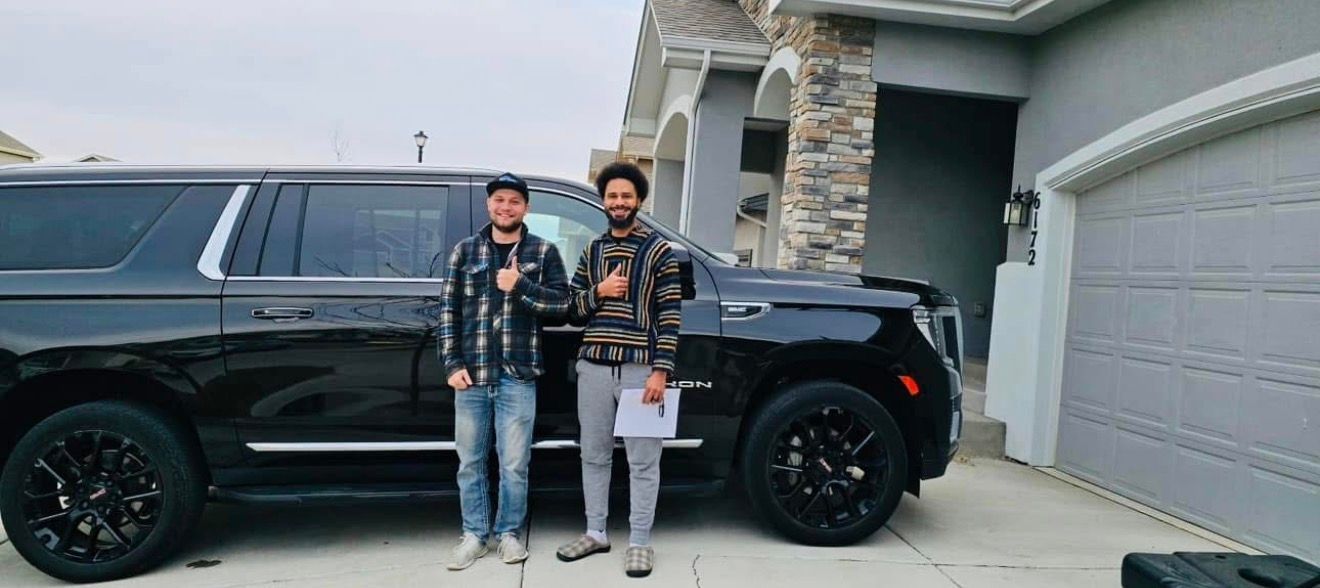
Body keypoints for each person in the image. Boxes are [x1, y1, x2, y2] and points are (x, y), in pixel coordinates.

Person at [555, 162, 682, 578]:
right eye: (612, 196)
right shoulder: (592, 250)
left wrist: (660, 371)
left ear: (639, 201)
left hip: (640, 370)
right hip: (593, 367)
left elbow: (670, 315)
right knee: (593, 455)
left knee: (643, 459)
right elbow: (572, 309)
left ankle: (640, 541)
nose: (619, 202)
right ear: (603, 201)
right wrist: (600, 291)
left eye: (627, 196)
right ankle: (596, 532)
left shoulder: (660, 252)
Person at [437, 172, 569, 570]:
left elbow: (562, 306)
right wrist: (452, 363)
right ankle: (474, 535)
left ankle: (509, 534)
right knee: (470, 463)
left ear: (525, 207)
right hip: (471, 375)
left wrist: (521, 285)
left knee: (514, 463)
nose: (506, 207)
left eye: (514, 201)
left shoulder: (543, 252)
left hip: (518, 375)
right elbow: (448, 312)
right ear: (488, 205)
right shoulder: (465, 251)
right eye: (499, 200)